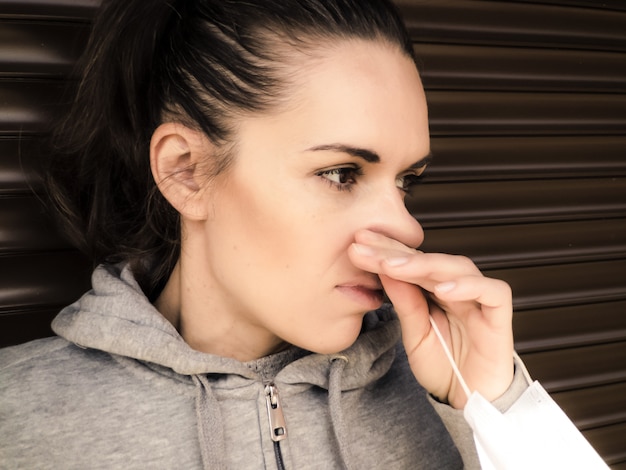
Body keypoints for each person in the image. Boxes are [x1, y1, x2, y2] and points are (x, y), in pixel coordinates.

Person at [0, 0, 529, 468]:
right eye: (341, 173)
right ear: (186, 171)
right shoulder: (17, 416)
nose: (407, 228)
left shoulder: (449, 390)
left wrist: (499, 409)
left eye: (405, 182)